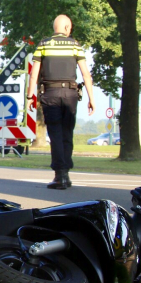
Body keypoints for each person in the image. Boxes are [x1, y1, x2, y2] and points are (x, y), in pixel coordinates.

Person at [26, 14, 95, 190]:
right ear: (66, 28)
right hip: (71, 94)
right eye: (70, 27)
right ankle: (66, 174)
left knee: (55, 134)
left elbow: (34, 74)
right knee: (67, 133)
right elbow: (86, 74)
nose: (70, 30)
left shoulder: (44, 44)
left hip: (50, 94)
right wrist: (91, 98)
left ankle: (60, 176)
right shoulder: (75, 45)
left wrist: (29, 97)